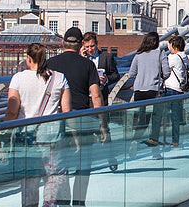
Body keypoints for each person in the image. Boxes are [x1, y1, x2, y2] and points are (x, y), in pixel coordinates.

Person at [5, 43, 71, 207]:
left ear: (28, 58)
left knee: (29, 180)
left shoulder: (18, 78)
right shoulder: (59, 78)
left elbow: (12, 111)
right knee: (53, 176)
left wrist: (5, 132)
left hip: (27, 137)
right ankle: (49, 204)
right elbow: (67, 111)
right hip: (52, 136)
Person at [46, 27, 104, 206]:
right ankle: (79, 202)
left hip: (57, 121)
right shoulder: (88, 64)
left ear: (62, 43)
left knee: (60, 166)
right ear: (80, 45)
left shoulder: (50, 64)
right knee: (83, 166)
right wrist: (102, 124)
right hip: (82, 119)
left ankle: (63, 202)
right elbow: (95, 96)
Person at [80, 32, 120, 170]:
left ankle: (110, 157)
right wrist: (81, 58)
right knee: (86, 132)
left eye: (92, 46)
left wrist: (107, 79)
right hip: (85, 100)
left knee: (104, 129)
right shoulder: (82, 59)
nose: (90, 49)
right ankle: (86, 162)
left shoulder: (106, 57)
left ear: (97, 44)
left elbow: (116, 75)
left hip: (101, 99)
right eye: (87, 47)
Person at [127, 31, 171, 155]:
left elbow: (131, 74)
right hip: (154, 91)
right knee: (156, 120)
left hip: (139, 92)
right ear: (156, 42)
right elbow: (167, 73)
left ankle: (134, 141)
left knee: (142, 120)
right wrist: (160, 76)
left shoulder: (138, 55)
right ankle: (155, 150)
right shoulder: (160, 54)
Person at [164, 36, 188, 147]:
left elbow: (163, 67)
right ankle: (175, 140)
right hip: (178, 89)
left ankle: (165, 140)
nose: (169, 48)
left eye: (170, 45)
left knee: (164, 116)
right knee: (176, 117)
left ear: (175, 46)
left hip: (170, 88)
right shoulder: (184, 56)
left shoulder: (173, 58)